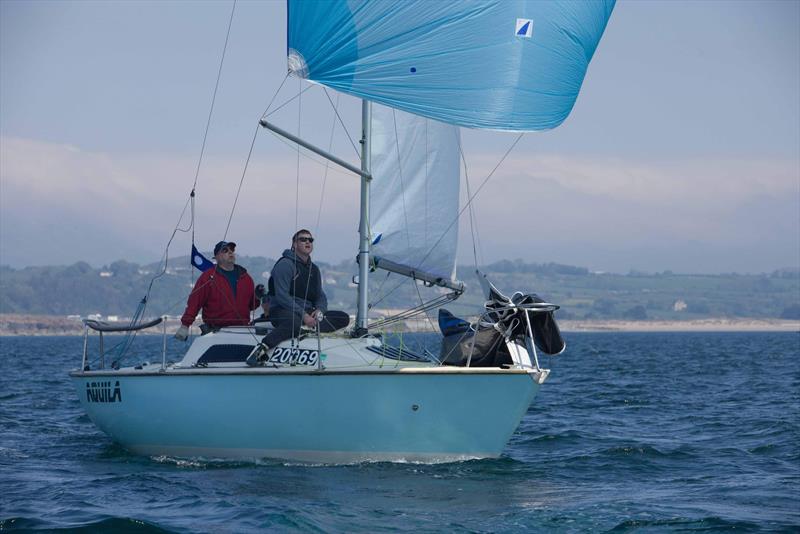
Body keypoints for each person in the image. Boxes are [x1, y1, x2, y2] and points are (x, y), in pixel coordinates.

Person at [247, 229, 329, 365]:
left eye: (310, 240)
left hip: (306, 312)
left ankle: (305, 329)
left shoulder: (314, 269)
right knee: (294, 324)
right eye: (303, 239)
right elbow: (281, 296)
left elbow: (320, 295)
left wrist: (320, 310)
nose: (307, 242)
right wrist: (304, 316)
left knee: (341, 317)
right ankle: (262, 348)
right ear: (294, 244)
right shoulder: (285, 265)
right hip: (282, 310)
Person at [175, 241, 266, 340]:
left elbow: (250, 306)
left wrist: (257, 297)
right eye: (225, 250)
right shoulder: (208, 277)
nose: (230, 252)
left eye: (232, 250)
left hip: (242, 331)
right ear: (216, 257)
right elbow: (195, 302)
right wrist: (185, 326)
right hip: (216, 332)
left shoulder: (246, 278)